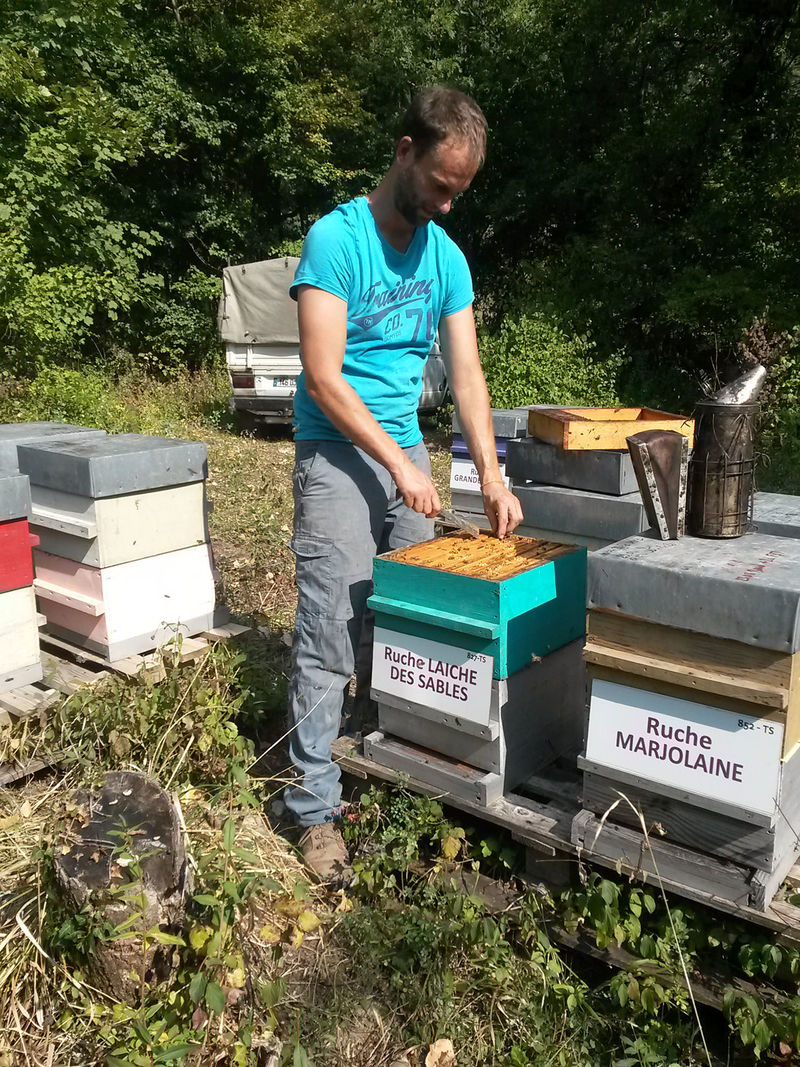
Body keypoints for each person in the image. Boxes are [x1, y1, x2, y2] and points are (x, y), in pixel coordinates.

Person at [286, 86, 523, 881]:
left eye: (460, 191)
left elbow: (467, 375)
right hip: (339, 451)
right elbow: (322, 377)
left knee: (403, 622)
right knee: (330, 625)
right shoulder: (336, 239)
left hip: (404, 459)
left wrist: (490, 475)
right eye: (439, 185)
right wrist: (396, 461)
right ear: (404, 153)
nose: (448, 205)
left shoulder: (445, 258)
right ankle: (313, 806)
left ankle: (378, 762)